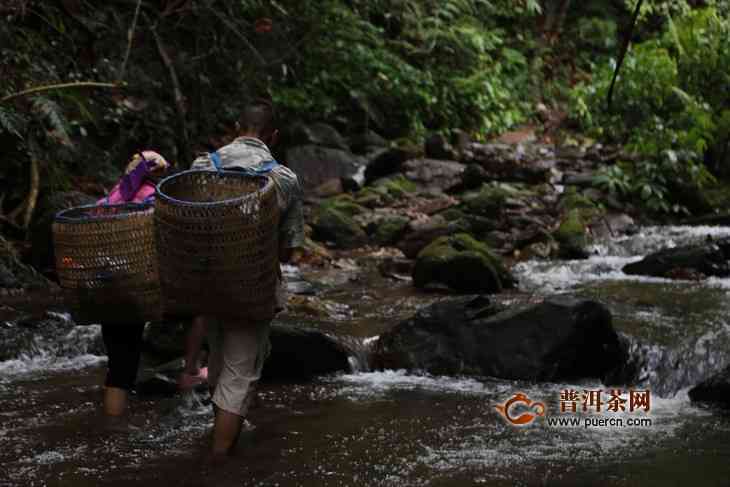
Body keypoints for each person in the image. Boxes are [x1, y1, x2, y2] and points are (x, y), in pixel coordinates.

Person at [184, 100, 304, 456]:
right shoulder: (283, 179)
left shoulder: (202, 166)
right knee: (238, 376)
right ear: (274, 136)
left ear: (236, 126)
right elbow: (289, 251)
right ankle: (218, 463)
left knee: (219, 363)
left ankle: (219, 438)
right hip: (252, 287)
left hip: (206, 285)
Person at [96, 151, 170, 420]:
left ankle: (107, 413)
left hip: (105, 286)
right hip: (133, 287)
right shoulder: (154, 200)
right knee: (124, 367)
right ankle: (112, 430)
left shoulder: (111, 198)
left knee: (115, 357)